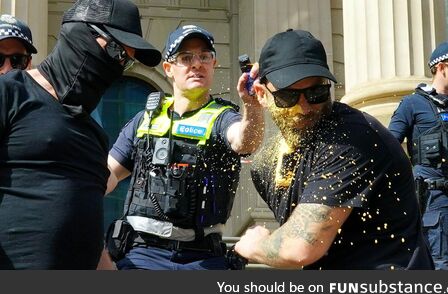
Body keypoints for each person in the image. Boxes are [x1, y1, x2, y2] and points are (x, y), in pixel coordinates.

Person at [234, 29, 433, 270]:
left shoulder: (351, 137)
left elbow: (298, 248)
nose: (305, 107)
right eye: (288, 96)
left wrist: (253, 245)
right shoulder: (266, 164)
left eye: (316, 92)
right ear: (261, 95)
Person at [0, 0, 161, 269]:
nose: (118, 65)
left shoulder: (95, 136)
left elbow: (84, 228)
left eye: (126, 60)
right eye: (115, 50)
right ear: (81, 36)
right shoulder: (11, 93)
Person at [105, 24, 264, 270]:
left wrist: (252, 106)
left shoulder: (223, 117)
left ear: (214, 64)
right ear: (168, 68)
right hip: (142, 254)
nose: (197, 64)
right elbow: (109, 174)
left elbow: (246, 141)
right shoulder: (145, 119)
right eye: (186, 58)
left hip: (203, 258)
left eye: (204, 57)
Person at [388, 41, 448, 270]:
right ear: (441, 67)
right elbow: (388, 146)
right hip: (436, 198)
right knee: (441, 268)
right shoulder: (413, 104)